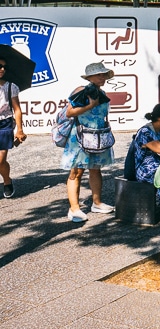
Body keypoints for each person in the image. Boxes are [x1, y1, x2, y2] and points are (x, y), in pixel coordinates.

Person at [62, 62, 115, 222]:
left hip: (98, 136)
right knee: (76, 172)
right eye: (99, 74)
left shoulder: (102, 92)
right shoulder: (81, 91)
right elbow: (69, 112)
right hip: (80, 136)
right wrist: (90, 105)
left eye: (104, 74)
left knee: (95, 169)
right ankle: (74, 209)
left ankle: (97, 203)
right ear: (89, 77)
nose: (103, 77)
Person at [0, 56, 26, 198]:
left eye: (5, 67)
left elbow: (17, 109)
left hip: (4, 123)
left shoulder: (10, 87)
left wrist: (20, 130)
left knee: (0, 160)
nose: (2, 69)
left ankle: (7, 181)